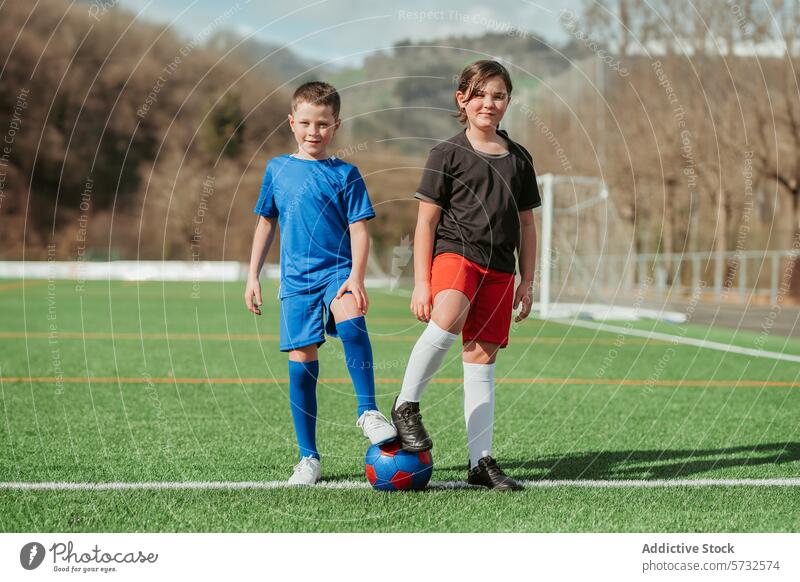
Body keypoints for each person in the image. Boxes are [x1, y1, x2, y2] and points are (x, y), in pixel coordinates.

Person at [391, 60, 540, 491]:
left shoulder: (520, 159)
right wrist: (421, 282)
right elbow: (425, 223)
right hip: (458, 254)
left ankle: (481, 461)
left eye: (498, 95)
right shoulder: (447, 154)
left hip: (500, 269)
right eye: (479, 94)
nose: (488, 103)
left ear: (508, 101)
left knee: (481, 359)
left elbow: (528, 226)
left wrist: (527, 281)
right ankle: (406, 404)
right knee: (450, 314)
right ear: (462, 99)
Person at [245, 81, 396, 486]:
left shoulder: (346, 174)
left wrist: (356, 278)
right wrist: (253, 275)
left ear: (337, 126)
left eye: (324, 124)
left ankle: (368, 411)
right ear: (292, 122)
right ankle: (308, 459)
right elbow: (266, 222)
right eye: (307, 123)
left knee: (350, 315)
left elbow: (360, 230)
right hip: (296, 282)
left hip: (337, 272)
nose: (315, 131)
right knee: (302, 363)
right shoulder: (277, 169)